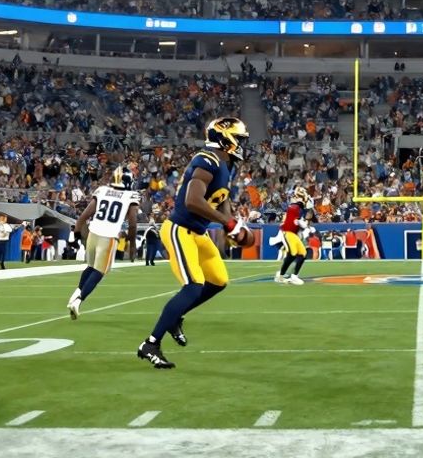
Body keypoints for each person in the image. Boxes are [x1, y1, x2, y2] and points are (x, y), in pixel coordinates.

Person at [137, 117, 253, 370]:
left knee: (219, 281)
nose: (244, 143)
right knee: (193, 286)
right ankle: (150, 343)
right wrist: (226, 223)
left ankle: (176, 316)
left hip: (198, 233)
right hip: (180, 229)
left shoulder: (226, 164)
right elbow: (192, 200)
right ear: (225, 138)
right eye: (240, 138)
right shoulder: (207, 160)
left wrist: (233, 223)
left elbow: (222, 199)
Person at [68, 165, 141, 319]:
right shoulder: (131, 196)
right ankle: (78, 301)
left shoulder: (102, 190)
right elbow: (133, 223)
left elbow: (83, 216)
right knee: (100, 271)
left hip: (93, 233)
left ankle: (76, 294)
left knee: (91, 267)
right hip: (108, 236)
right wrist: (132, 244)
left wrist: (75, 236)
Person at [274, 187, 310, 285]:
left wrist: (300, 222)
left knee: (303, 253)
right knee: (293, 254)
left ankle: (293, 276)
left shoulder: (298, 209)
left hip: (293, 234)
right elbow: (293, 213)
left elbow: (298, 220)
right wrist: (299, 222)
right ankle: (281, 276)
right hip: (288, 233)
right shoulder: (294, 207)